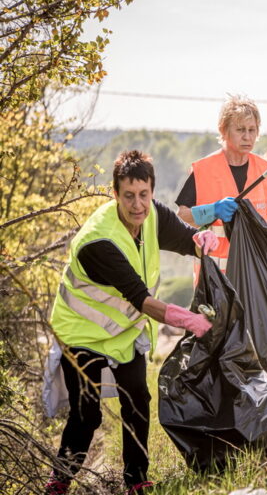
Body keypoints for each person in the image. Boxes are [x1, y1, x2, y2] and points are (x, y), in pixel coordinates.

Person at [46, 150, 219, 495]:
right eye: (128, 196)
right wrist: (190, 320)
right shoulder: (99, 242)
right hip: (80, 332)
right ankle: (58, 483)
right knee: (87, 415)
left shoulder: (153, 217)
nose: (137, 205)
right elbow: (141, 298)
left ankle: (136, 481)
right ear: (115, 194)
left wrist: (203, 240)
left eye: (144, 195)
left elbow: (188, 240)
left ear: (152, 192)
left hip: (124, 332)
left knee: (138, 398)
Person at [176, 95, 267, 277]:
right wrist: (213, 210)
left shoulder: (265, 171)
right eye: (240, 130)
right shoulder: (203, 169)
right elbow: (182, 215)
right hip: (215, 281)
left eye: (252, 130)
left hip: (257, 277)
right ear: (224, 131)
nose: (247, 137)